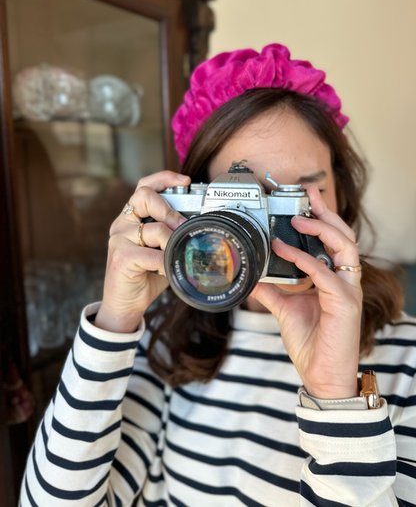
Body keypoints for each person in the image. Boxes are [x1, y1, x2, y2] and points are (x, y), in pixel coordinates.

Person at [20, 44, 416, 507]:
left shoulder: (405, 360)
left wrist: (336, 397)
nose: (262, 228)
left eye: (295, 193)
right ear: (197, 205)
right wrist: (114, 321)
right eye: (243, 196)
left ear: (340, 197)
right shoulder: (167, 339)